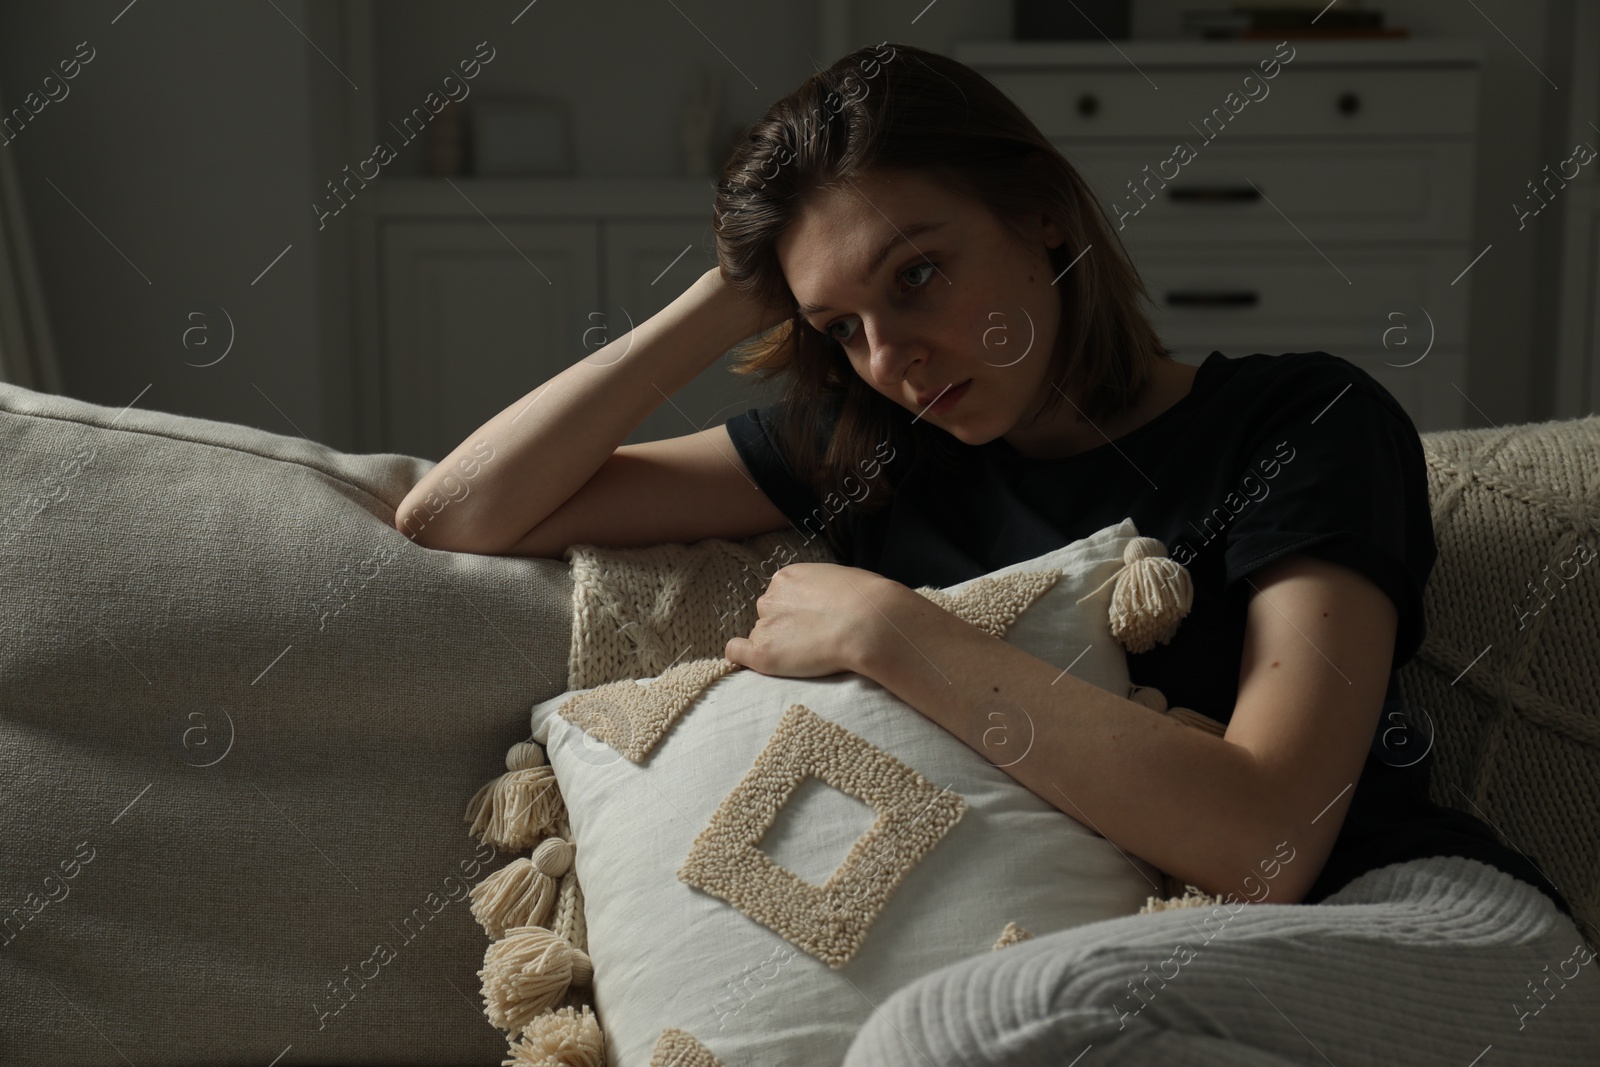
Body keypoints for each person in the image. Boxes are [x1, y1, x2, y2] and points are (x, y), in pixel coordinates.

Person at [395, 42, 1599, 1067]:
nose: (892, 355)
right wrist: (732, 289)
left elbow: (1266, 839)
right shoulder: (871, 451)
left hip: (1417, 940)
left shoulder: (1301, 424)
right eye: (841, 326)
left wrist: (890, 631)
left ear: (1040, 212)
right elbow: (457, 511)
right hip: (1130, 986)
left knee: (954, 1029)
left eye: (917, 274)